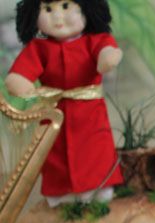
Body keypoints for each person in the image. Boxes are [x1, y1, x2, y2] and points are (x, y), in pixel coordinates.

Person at [5, 0, 123, 207]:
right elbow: (20, 74)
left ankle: (100, 192)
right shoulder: (39, 48)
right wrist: (19, 82)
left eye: (66, 6)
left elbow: (105, 52)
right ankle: (61, 198)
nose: (58, 17)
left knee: (95, 151)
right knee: (54, 156)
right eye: (48, 9)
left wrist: (108, 57)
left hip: (90, 115)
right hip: (54, 116)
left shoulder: (95, 40)